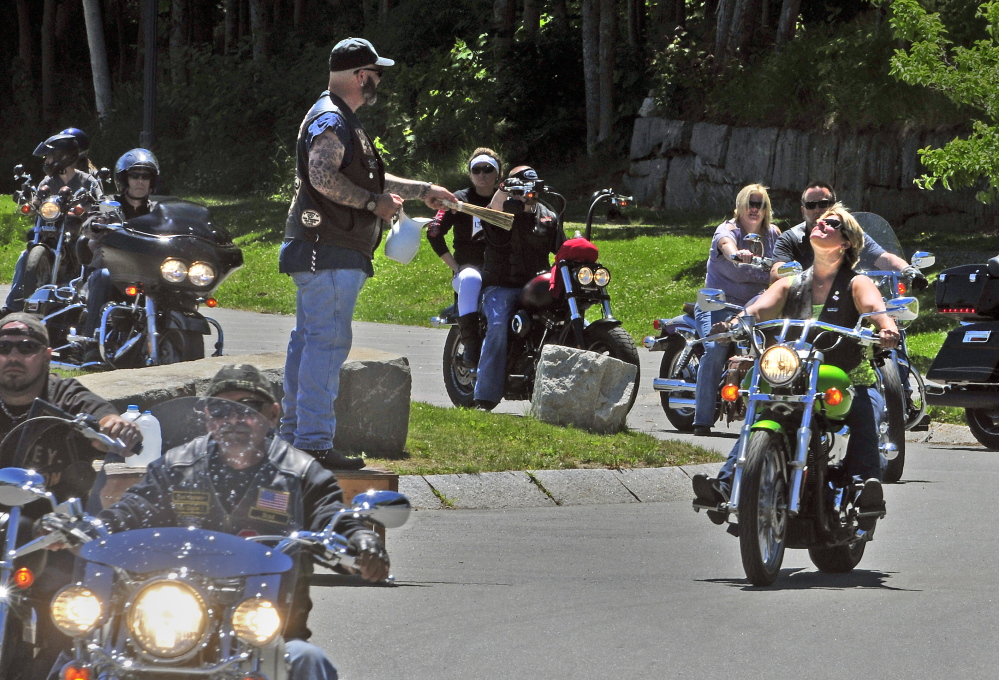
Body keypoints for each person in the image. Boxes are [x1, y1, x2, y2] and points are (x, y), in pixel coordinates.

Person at [96, 364, 390, 680]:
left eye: (248, 408)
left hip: (263, 633)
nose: (233, 419)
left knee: (307, 661)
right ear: (208, 417)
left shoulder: (302, 474)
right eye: (221, 409)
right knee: (88, 655)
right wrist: (96, 528)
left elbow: (330, 517)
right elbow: (134, 506)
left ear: (273, 414)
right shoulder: (176, 466)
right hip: (171, 621)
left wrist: (360, 541)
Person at [279, 37, 455, 470]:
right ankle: (314, 443)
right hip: (329, 250)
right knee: (327, 342)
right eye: (375, 75)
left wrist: (422, 191)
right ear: (361, 76)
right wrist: (370, 204)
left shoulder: (340, 118)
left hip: (323, 249)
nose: (378, 82)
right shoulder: (332, 119)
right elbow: (322, 175)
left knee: (308, 341)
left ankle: (293, 437)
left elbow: (365, 175)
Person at [692, 204, 898, 524]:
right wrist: (736, 321)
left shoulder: (856, 283)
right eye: (820, 220)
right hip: (797, 375)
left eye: (832, 223)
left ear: (845, 242)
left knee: (863, 406)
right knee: (765, 409)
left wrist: (887, 327)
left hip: (847, 375)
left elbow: (875, 306)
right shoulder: (793, 282)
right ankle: (726, 484)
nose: (821, 223)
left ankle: (862, 488)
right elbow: (761, 306)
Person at [0, 312, 141, 680]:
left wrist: (112, 427)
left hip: (54, 534)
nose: (14, 356)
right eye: (3, 348)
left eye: (26, 348)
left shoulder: (62, 394)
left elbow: (100, 416)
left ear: (46, 355)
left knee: (76, 604)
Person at [473, 166, 566, 411]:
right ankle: (485, 395)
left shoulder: (548, 214)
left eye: (531, 188)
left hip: (537, 285)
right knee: (498, 324)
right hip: (501, 286)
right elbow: (491, 210)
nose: (527, 194)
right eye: (521, 188)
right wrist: (504, 189)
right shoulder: (500, 212)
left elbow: (562, 249)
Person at [692, 184, 781, 436]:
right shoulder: (728, 229)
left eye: (760, 204)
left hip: (755, 303)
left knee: (777, 347)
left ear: (766, 209)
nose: (755, 209)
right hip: (719, 303)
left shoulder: (774, 234)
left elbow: (787, 258)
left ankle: (771, 412)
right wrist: (736, 253)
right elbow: (726, 243)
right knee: (716, 346)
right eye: (750, 203)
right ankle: (702, 419)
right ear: (740, 206)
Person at [5, 133, 104, 313]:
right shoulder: (49, 181)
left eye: (50, 157)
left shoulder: (87, 181)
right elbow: (37, 201)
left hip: (77, 232)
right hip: (50, 230)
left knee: (90, 253)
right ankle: (13, 306)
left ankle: (87, 304)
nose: (47, 161)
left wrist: (92, 207)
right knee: (24, 257)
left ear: (63, 157)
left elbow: (100, 203)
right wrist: (29, 203)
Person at [77, 149, 160, 355]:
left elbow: (175, 228)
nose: (140, 181)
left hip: (146, 271)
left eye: (145, 176)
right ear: (125, 179)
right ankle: (90, 342)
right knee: (103, 276)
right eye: (135, 175)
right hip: (112, 268)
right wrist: (95, 224)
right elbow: (88, 223)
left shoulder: (157, 211)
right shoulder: (109, 205)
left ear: (152, 181)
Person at [427, 148, 502, 366]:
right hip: (470, 269)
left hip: (503, 268)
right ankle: (471, 344)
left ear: (498, 173)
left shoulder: (507, 200)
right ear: (470, 174)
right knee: (469, 278)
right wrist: (455, 266)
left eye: (488, 169)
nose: (482, 174)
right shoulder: (458, 200)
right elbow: (433, 231)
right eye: (476, 170)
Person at [769, 182, 917, 282]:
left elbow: (884, 258)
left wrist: (909, 270)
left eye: (823, 204)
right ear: (803, 211)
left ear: (846, 243)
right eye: (810, 205)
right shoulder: (790, 238)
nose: (817, 210)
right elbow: (776, 272)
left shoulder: (847, 233)